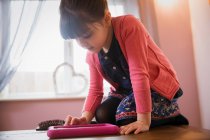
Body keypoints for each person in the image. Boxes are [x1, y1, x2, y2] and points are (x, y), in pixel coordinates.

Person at [59, 0, 189, 135]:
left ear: (107, 18)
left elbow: (139, 74)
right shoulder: (92, 53)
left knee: (125, 114)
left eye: (86, 35)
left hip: (155, 89)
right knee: (102, 114)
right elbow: (95, 90)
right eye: (76, 38)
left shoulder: (129, 26)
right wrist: (85, 118)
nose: (82, 43)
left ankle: (171, 112)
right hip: (127, 93)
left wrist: (143, 120)